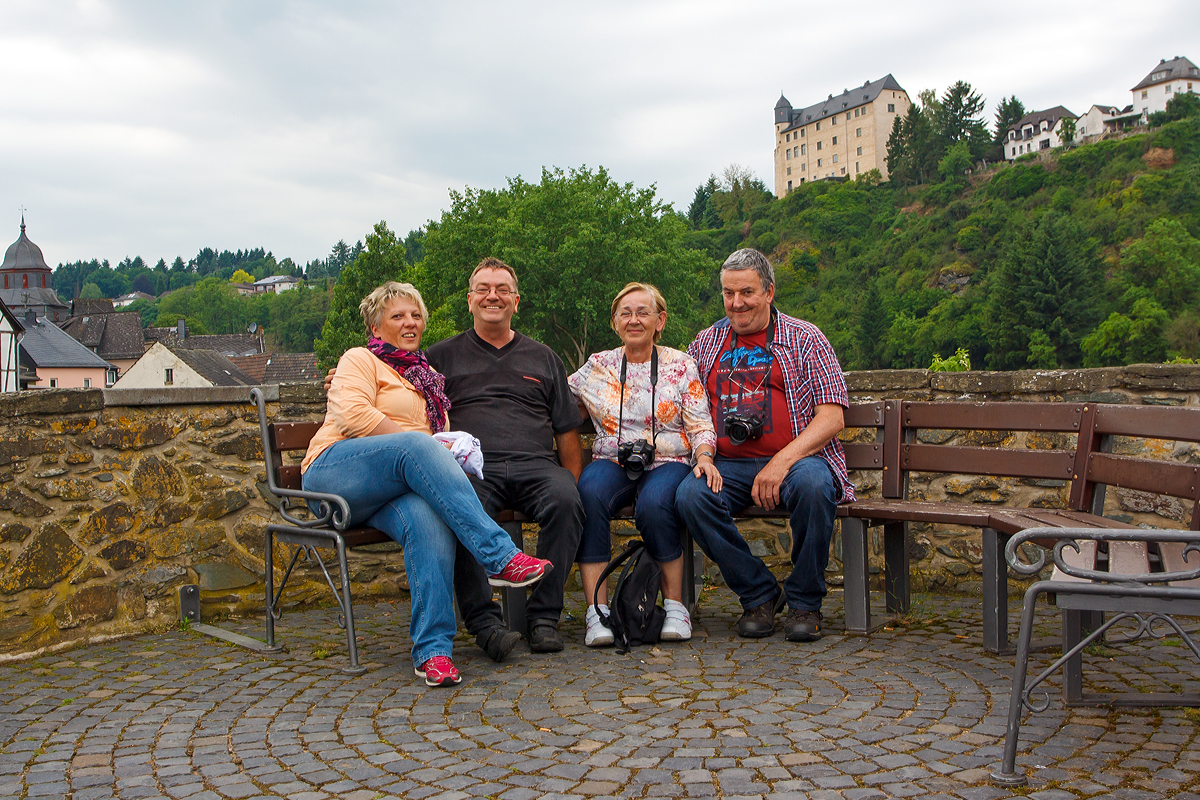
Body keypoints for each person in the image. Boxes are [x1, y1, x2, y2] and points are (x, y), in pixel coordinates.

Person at [302, 281, 551, 687]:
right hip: (334, 477)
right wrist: (417, 444)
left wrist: (441, 448)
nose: (410, 322)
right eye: (398, 315)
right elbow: (351, 415)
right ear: (376, 325)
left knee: (429, 522)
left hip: (390, 490)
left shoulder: (427, 378)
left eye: (416, 315)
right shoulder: (360, 359)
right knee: (417, 447)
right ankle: (498, 556)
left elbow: (432, 441)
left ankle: (433, 652)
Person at [674, 249, 854, 642]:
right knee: (690, 496)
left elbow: (832, 417)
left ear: (769, 292)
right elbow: (683, 407)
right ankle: (760, 594)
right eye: (728, 293)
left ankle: (806, 602)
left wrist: (781, 462)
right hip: (729, 465)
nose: (736, 303)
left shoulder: (805, 338)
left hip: (797, 459)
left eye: (747, 292)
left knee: (813, 487)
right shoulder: (705, 344)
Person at [426, 258, 585, 655]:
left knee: (567, 500)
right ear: (469, 300)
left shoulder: (543, 356)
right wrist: (344, 373)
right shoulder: (439, 358)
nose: (492, 296)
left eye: (501, 289)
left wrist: (572, 480)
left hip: (537, 467)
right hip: (474, 470)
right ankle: (486, 625)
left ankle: (544, 618)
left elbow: (567, 429)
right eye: (483, 288)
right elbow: (390, 380)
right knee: (459, 508)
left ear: (517, 300)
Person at [568, 282, 718, 646]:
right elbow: (555, 402)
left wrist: (704, 458)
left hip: (668, 460)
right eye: (626, 313)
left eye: (643, 312)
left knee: (655, 504)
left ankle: (675, 605)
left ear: (660, 320)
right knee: (587, 493)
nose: (634, 320)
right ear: (615, 322)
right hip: (612, 459)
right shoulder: (598, 366)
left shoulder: (680, 365)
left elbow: (699, 423)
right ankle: (597, 612)